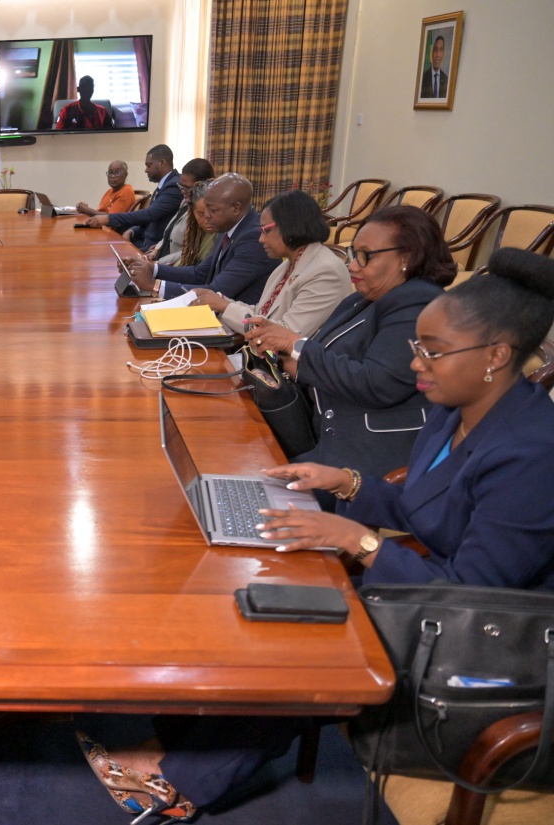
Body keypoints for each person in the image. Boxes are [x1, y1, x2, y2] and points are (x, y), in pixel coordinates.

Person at [76, 246, 554, 821]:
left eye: (431, 351)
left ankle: (183, 781)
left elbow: (469, 593)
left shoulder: (532, 453)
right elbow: (430, 506)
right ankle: (189, 731)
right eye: (415, 347)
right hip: (437, 592)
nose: (416, 364)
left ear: (496, 355)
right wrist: (347, 483)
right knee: (261, 584)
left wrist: (358, 540)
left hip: (489, 644)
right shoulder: (460, 404)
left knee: (306, 628)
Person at [245, 205, 456, 480]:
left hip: (366, 457)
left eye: (365, 256)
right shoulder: (360, 299)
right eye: (352, 254)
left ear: (407, 257)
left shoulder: (418, 303)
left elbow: (377, 383)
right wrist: (284, 351)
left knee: (251, 485)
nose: (352, 265)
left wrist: (295, 345)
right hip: (324, 432)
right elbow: (324, 359)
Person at [193, 189, 350, 338]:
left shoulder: (326, 272)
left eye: (266, 231)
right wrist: (220, 300)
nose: (261, 239)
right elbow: (263, 313)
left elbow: (287, 334)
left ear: (291, 225)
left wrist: (224, 307)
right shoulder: (288, 264)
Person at [128, 173, 278, 305]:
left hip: (237, 329)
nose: (206, 215)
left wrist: (155, 285)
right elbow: (200, 274)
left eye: (212, 210)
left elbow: (215, 293)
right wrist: (152, 268)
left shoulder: (254, 239)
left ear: (236, 208)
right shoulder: (229, 226)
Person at [86, 145, 182, 251]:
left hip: (155, 249)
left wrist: (109, 219)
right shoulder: (164, 184)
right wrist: (131, 231)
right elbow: (149, 220)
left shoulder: (174, 186)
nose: (146, 170)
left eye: (149, 165)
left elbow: (150, 214)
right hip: (142, 240)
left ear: (162, 163)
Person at [140, 157, 215, 264]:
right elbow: (170, 229)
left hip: (174, 264)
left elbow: (190, 251)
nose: (182, 191)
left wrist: (157, 264)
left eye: (187, 188)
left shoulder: (204, 214)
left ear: (202, 187)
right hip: (161, 255)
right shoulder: (185, 202)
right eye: (181, 186)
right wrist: (156, 249)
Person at [419, 34, 449, 98]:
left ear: (443, 53)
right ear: (432, 53)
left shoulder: (446, 80)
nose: (437, 55)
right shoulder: (423, 78)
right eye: (435, 50)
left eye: (440, 50)